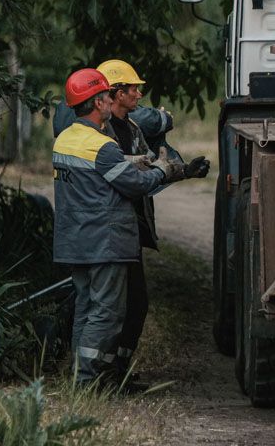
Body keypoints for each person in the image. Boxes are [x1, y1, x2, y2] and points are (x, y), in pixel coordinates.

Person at [51, 68, 186, 387]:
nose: (113, 101)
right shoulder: (102, 147)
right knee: (107, 313)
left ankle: (79, 375)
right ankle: (88, 381)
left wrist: (131, 162)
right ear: (99, 103)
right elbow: (135, 186)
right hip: (105, 242)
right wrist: (163, 170)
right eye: (109, 96)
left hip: (75, 241)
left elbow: (102, 173)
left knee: (85, 307)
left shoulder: (66, 141)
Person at [92, 59, 209, 382]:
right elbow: (130, 174)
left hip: (129, 229)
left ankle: (118, 370)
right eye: (133, 89)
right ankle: (101, 374)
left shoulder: (131, 128)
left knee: (136, 305)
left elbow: (151, 169)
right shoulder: (101, 132)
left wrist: (184, 171)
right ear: (115, 93)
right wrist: (156, 168)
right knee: (111, 308)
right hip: (107, 231)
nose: (139, 94)